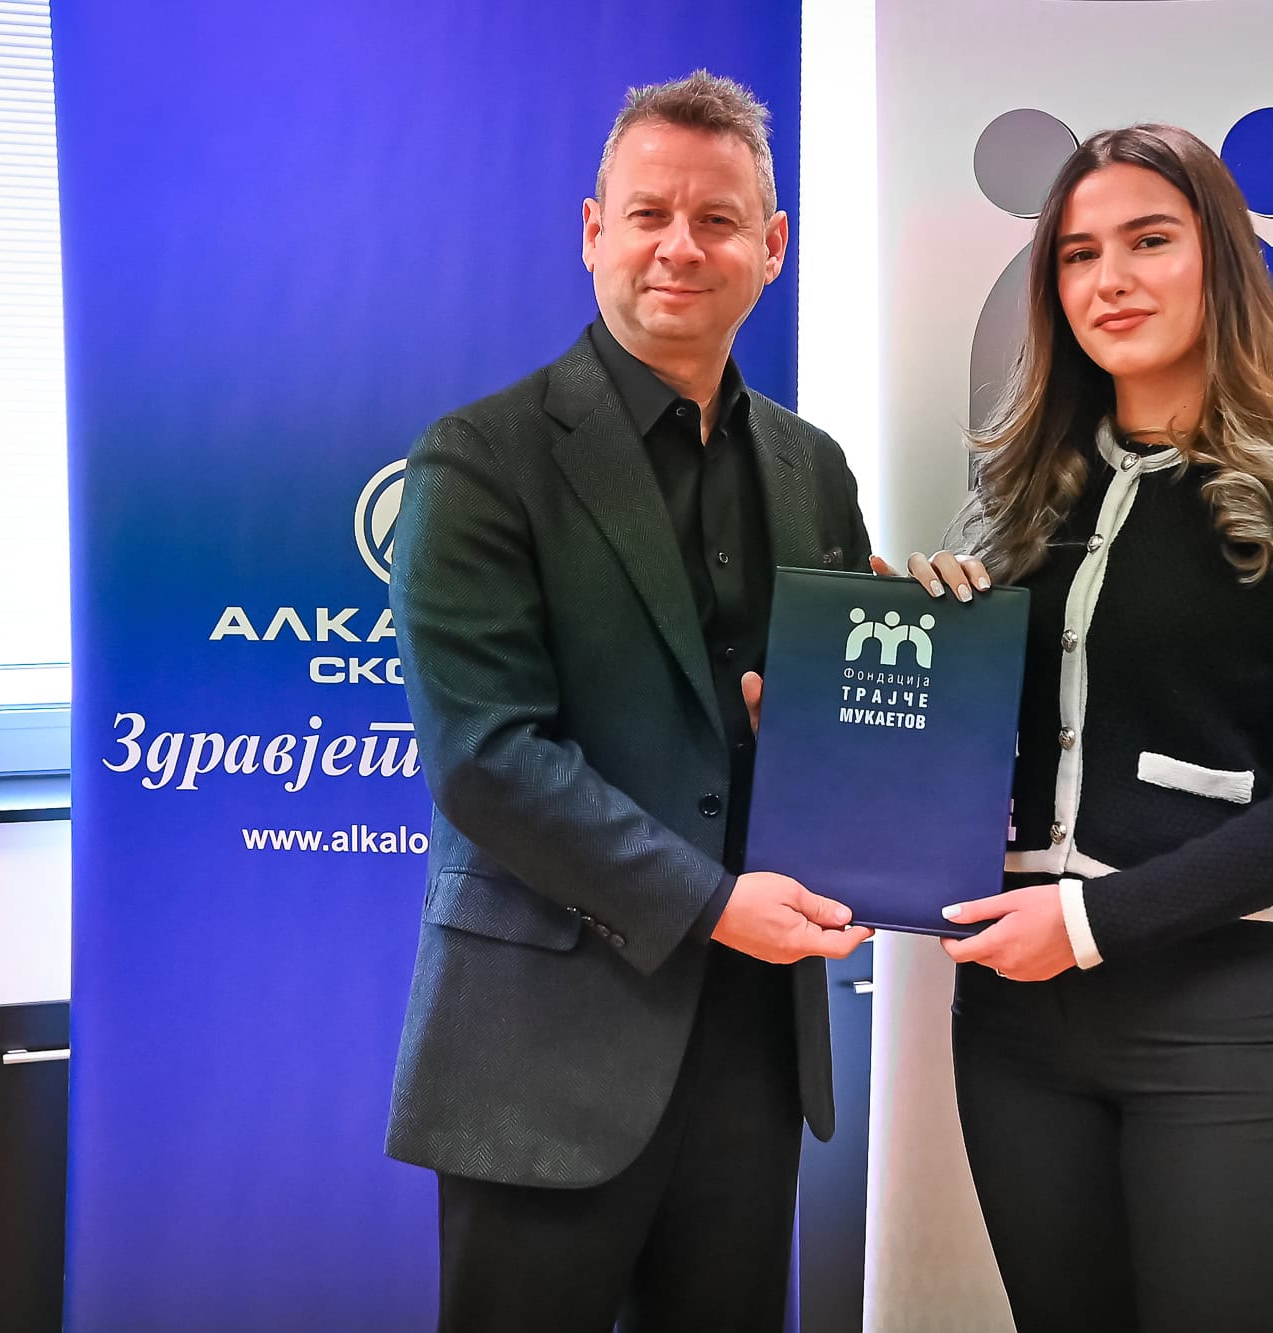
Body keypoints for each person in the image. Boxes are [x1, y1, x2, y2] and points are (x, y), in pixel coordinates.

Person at [384, 71, 877, 1332]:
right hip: (540, 1047)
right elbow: (487, 759)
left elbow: (835, 723)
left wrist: (913, 748)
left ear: (772, 246)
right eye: (649, 214)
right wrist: (709, 904)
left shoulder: (813, 469)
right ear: (592, 230)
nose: (679, 247)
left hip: (752, 1044)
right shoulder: (479, 458)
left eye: (717, 220)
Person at [917, 123, 1273, 1330]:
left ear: (1218, 261)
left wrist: (1089, 922)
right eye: (1078, 254)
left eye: (1148, 241)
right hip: (1015, 1026)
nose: (1111, 279)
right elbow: (972, 762)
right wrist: (898, 659)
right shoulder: (1017, 499)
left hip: (1218, 1017)